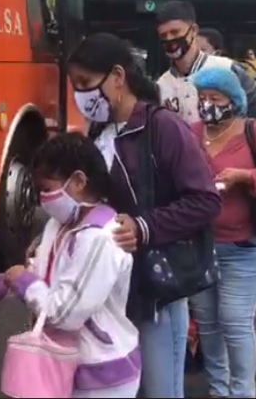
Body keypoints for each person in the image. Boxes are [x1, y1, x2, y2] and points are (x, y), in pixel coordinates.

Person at [66, 32, 222, 398]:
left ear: (117, 77)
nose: (81, 96)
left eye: (86, 84)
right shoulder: (100, 131)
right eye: (75, 86)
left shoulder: (162, 127)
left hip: (157, 290)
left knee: (160, 390)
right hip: (114, 288)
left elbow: (205, 200)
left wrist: (145, 227)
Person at [0, 132, 141, 398]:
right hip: (64, 367)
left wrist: (24, 280)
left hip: (102, 375)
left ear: (78, 181)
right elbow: (39, 280)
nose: (42, 198)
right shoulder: (58, 225)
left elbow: (65, 313)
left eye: (47, 188)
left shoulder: (101, 237)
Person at [189, 66, 256, 398]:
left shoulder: (253, 132)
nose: (207, 105)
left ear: (233, 100)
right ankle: (219, 390)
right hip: (202, 247)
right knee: (208, 327)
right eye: (202, 98)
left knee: (234, 322)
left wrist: (244, 178)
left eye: (214, 98)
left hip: (244, 247)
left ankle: (242, 392)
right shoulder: (192, 133)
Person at [155, 1, 256, 125]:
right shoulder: (161, 86)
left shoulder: (227, 68)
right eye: (163, 35)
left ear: (193, 30)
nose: (169, 39)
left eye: (175, 32)